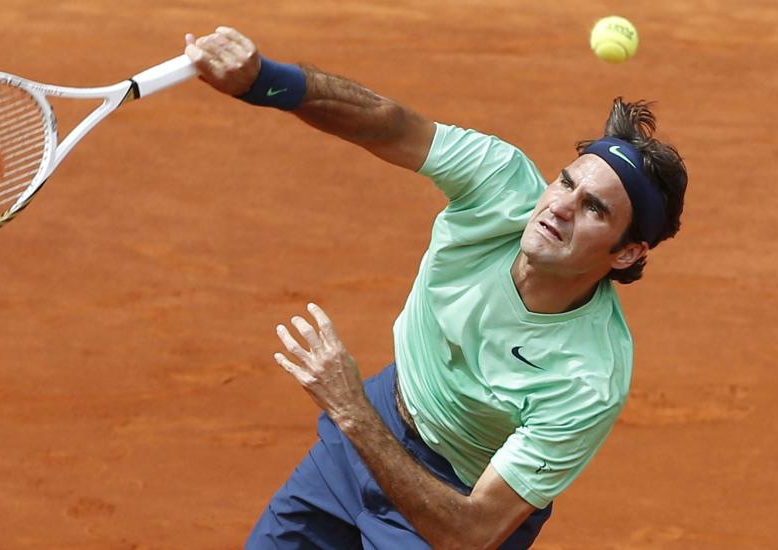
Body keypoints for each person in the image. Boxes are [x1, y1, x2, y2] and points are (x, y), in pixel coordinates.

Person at [184, 27, 688, 550]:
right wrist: (265, 81)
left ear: (628, 253)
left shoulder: (587, 377)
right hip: (372, 425)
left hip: (448, 502)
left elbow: (472, 532)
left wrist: (352, 412)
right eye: (566, 181)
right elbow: (389, 125)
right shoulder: (499, 182)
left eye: (593, 208)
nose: (560, 206)